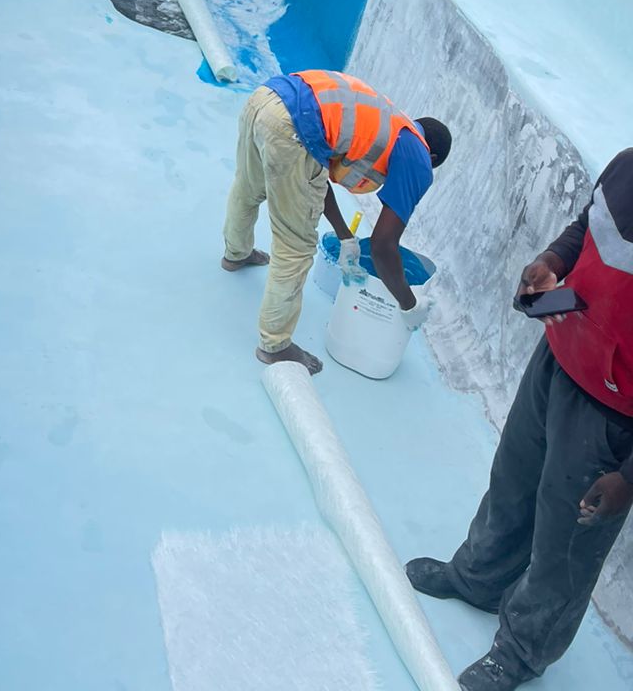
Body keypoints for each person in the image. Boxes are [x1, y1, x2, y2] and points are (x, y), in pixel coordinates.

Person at [406, 149, 633, 691]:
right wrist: (553, 262)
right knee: (512, 482)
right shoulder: (627, 164)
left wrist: (629, 476)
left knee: (566, 546)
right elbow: (587, 226)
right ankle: (479, 577)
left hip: (613, 413)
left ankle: (522, 652)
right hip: (558, 355)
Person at [221, 69, 452, 375]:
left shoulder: (383, 121)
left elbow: (315, 174)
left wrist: (346, 237)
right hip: (291, 127)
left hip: (267, 98)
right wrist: (409, 305)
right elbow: (384, 246)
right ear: (432, 155)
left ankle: (235, 254)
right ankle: (274, 345)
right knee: (296, 247)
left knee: (248, 188)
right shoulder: (418, 158)